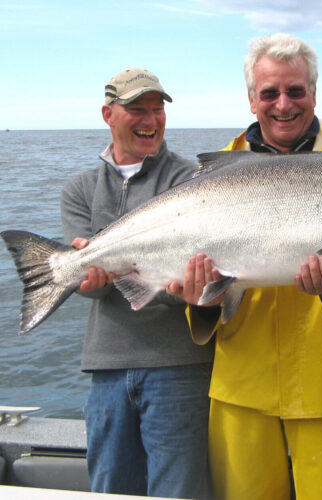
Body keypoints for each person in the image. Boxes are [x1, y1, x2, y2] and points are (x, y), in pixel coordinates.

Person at [168, 33, 322, 500]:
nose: (283, 104)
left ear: (314, 93)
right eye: (270, 93)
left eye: (295, 90)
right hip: (242, 386)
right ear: (252, 99)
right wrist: (200, 300)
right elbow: (194, 268)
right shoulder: (215, 172)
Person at [60, 68, 213, 498]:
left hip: (180, 366)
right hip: (107, 367)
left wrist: (191, 292)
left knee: (178, 490)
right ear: (108, 114)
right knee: (110, 487)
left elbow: (205, 275)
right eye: (137, 109)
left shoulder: (192, 181)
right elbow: (92, 285)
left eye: (157, 109)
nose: (151, 119)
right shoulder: (80, 189)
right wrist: (86, 278)